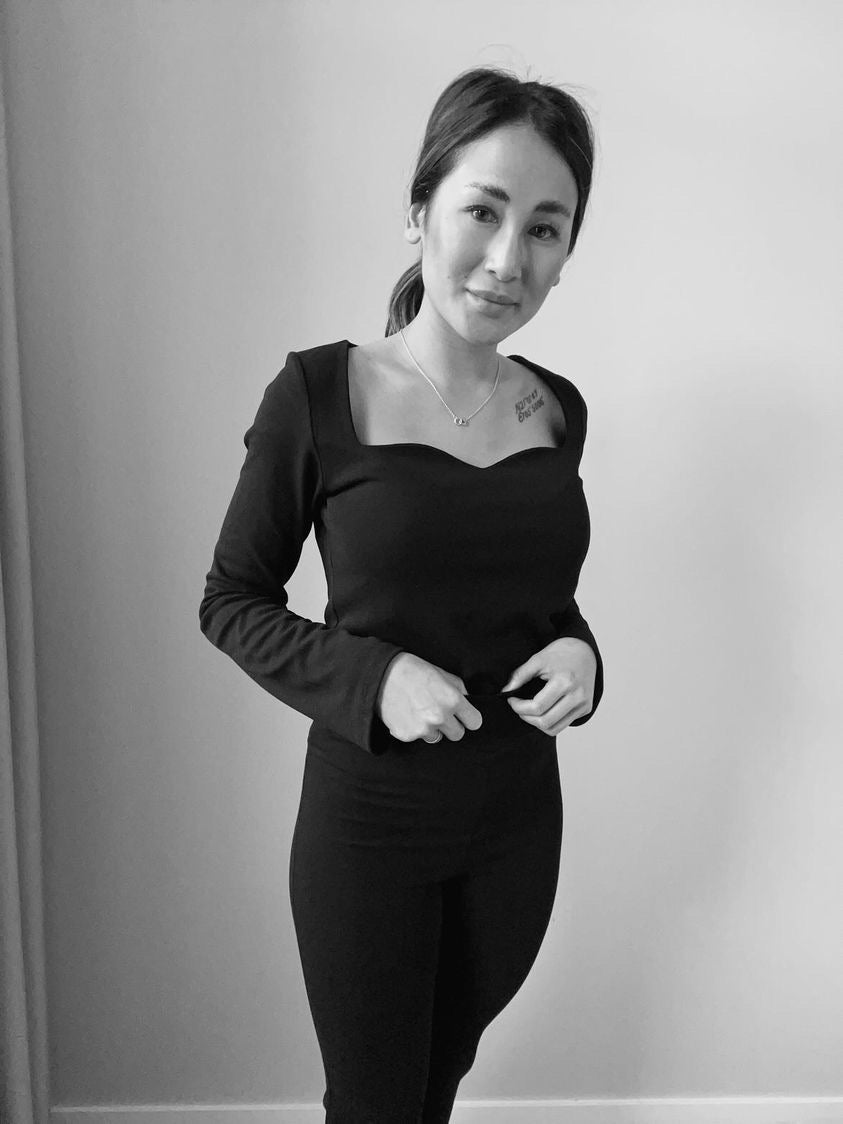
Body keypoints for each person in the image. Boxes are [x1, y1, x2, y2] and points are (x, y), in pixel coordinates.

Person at [200, 65, 604, 1123]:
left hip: (518, 822)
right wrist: (374, 677)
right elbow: (231, 599)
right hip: (372, 826)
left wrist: (582, 653)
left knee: (432, 1089)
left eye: (546, 228)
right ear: (420, 208)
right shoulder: (317, 393)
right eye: (483, 211)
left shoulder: (558, 410)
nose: (509, 258)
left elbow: (535, 600)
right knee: (377, 1104)